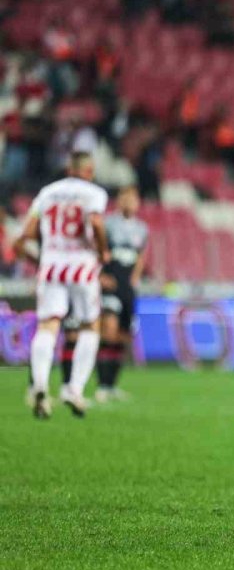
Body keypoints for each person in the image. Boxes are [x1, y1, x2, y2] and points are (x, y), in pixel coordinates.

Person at [14, 152, 110, 418]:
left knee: (48, 325)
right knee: (90, 325)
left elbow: (29, 232)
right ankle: (74, 389)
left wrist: (40, 257)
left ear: (69, 169)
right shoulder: (94, 193)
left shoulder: (48, 192)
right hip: (81, 265)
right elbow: (96, 222)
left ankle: (40, 386)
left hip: (52, 265)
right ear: (89, 170)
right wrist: (103, 250)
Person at [95, 186, 148, 403]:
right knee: (108, 331)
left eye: (133, 199)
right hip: (111, 283)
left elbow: (141, 255)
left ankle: (112, 385)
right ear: (118, 201)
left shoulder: (141, 229)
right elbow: (96, 249)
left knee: (123, 336)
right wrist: (99, 274)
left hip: (128, 287)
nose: (129, 203)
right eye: (125, 198)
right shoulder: (108, 224)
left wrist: (135, 277)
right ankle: (102, 385)